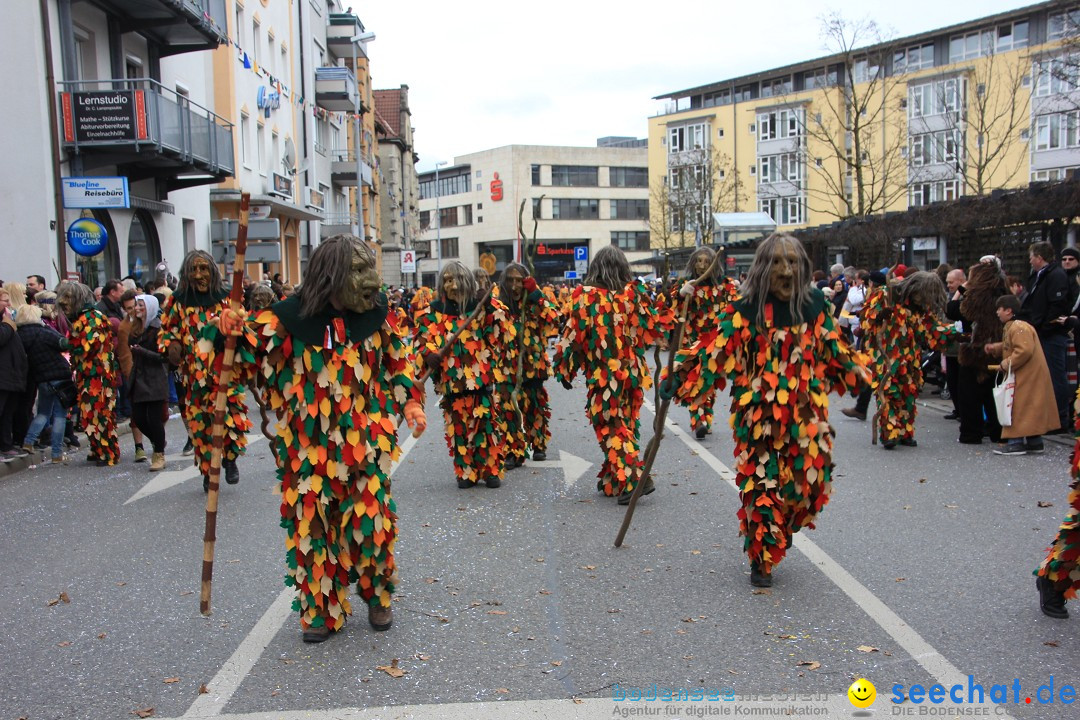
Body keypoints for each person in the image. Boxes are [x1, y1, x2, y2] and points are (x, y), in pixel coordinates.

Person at [218, 235, 427, 642]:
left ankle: (377, 595)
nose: (373, 280)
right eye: (361, 271)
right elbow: (238, 357)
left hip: (367, 442)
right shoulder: (284, 321)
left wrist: (411, 405)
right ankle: (320, 610)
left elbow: (399, 366)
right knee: (313, 530)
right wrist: (226, 329)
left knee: (372, 522)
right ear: (333, 276)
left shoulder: (377, 316)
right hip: (306, 452)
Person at [663, 234, 868, 587]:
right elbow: (716, 349)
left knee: (811, 487)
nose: (786, 270)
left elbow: (834, 348)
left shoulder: (815, 304)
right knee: (760, 485)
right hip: (755, 415)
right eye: (777, 263)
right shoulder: (744, 309)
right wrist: (680, 376)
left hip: (806, 415)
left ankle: (781, 528)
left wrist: (858, 372)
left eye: (792, 262)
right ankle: (761, 558)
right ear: (762, 267)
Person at [554, 245, 673, 504]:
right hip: (633, 372)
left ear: (596, 267)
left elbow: (572, 336)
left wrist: (564, 368)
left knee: (609, 425)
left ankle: (634, 478)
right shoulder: (635, 295)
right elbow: (653, 328)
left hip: (605, 375)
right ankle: (613, 478)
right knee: (625, 425)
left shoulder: (585, 297)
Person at [414, 261, 514, 489]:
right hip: (452, 384)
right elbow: (420, 340)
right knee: (458, 429)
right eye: (448, 280)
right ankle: (465, 472)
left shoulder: (479, 307)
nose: (454, 285)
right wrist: (428, 354)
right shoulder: (434, 311)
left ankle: (490, 470)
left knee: (486, 426)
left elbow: (502, 328)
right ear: (442, 285)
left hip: (481, 380)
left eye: (458, 279)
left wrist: (489, 305)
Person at [159, 250, 253, 490]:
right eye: (194, 269)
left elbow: (242, 325)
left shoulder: (226, 298)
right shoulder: (177, 301)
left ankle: (230, 460)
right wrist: (172, 346)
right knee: (200, 423)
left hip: (225, 370)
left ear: (212, 272)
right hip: (194, 375)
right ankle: (207, 470)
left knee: (230, 417)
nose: (199, 275)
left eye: (204, 269)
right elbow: (167, 330)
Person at [860, 271, 956, 449]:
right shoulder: (886, 293)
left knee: (908, 393)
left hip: (910, 356)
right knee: (888, 392)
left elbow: (929, 329)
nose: (924, 299)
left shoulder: (920, 308)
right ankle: (889, 433)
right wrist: (881, 314)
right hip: (886, 355)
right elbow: (867, 318)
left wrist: (954, 333)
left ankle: (905, 431)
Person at [494, 263, 560, 466]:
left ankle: (538, 444)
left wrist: (535, 294)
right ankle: (514, 450)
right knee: (508, 408)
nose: (515, 285)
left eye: (519, 280)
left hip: (533, 366)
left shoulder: (535, 302)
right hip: (506, 367)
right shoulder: (499, 306)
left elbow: (554, 318)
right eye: (511, 280)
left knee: (535, 406)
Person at [673, 246, 738, 440]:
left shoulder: (725, 286)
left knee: (708, 383)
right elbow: (672, 309)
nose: (702, 266)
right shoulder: (687, 284)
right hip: (693, 341)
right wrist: (681, 295)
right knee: (694, 380)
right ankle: (698, 420)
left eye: (706, 262)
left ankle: (704, 419)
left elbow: (735, 308)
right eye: (698, 261)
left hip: (716, 341)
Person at [984, 295, 1059, 455]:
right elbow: (1016, 345)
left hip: (1026, 375)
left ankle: (1015, 442)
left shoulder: (1018, 327)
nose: (997, 312)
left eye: (1000, 309)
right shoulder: (1019, 326)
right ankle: (1034, 441)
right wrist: (997, 348)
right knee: (1030, 407)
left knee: (1017, 406)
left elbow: (1024, 351)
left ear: (1009, 310)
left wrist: (1005, 363)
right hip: (1030, 374)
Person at [56, 281, 119, 465]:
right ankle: (96, 448)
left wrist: (67, 344)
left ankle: (108, 453)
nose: (63, 302)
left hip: (99, 377)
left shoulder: (93, 318)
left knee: (100, 414)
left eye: (68, 298)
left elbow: (88, 347)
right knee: (88, 414)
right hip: (86, 375)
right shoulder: (80, 319)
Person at [949, 263, 1007, 445]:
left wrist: (961, 289)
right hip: (997, 348)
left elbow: (953, 310)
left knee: (969, 395)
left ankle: (971, 433)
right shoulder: (1004, 294)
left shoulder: (976, 297)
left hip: (976, 349)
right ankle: (998, 431)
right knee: (994, 393)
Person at [1019, 241, 1072, 430]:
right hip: (1041, 332)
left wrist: (1043, 328)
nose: (1030, 261)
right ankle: (1047, 416)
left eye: (1031, 257)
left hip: (1051, 335)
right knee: (1044, 377)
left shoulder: (1055, 275)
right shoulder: (1039, 275)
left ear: (1039, 258)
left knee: (1055, 376)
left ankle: (1060, 418)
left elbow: (1056, 305)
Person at [118, 295, 169, 471]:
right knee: (138, 418)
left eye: (141, 305)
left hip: (155, 378)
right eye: (136, 305)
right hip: (138, 377)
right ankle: (158, 440)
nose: (137, 308)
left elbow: (164, 357)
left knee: (154, 418)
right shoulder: (135, 326)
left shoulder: (158, 327)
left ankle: (159, 454)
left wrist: (142, 352)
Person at [16, 304, 71, 463]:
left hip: (41, 379)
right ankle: (56, 454)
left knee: (43, 413)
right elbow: (64, 343)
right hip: (59, 376)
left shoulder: (19, 335)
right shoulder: (44, 332)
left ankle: (28, 441)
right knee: (60, 415)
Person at [0, 288, 29, 460]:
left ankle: (6, 444)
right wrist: (8, 325)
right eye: (5, 300)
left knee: (8, 412)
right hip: (3, 375)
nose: (9, 304)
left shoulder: (6, 318)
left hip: (11, 374)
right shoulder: (6, 322)